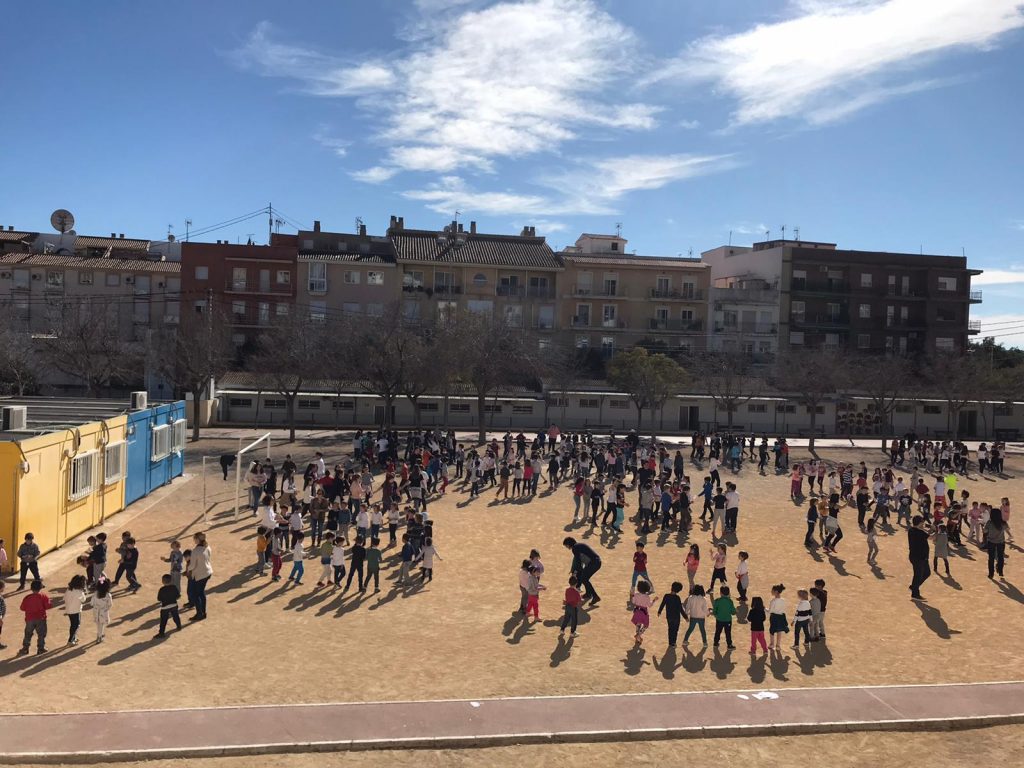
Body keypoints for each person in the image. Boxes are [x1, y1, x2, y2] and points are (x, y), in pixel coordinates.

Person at [563, 537, 602, 605]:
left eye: (566, 545)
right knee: (584, 578)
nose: (566, 547)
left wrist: (575, 572)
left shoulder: (575, 548)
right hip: (596, 562)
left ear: (569, 544)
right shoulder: (578, 545)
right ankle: (588, 593)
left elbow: (578, 561)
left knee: (584, 579)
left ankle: (595, 596)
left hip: (593, 563)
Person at [16, 579, 50, 655]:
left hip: (29, 619)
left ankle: (25, 648)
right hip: (40, 618)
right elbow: (48, 606)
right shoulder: (43, 596)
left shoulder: (27, 597)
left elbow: (22, 608)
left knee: (28, 633)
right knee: (41, 634)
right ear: (40, 588)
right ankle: (41, 648)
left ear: (31, 588)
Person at [188, 532, 213, 621]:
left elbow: (192, 565)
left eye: (194, 538)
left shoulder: (195, 551)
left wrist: (187, 570)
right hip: (207, 572)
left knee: (195, 594)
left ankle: (199, 613)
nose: (194, 540)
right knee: (201, 593)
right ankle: (203, 612)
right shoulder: (207, 547)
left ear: (198, 539)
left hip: (200, 575)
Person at [908, 515, 931, 600]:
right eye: (922, 522)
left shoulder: (911, 530)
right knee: (918, 575)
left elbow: (924, 534)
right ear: (919, 523)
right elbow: (932, 537)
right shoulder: (920, 532)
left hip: (917, 557)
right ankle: (915, 594)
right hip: (919, 557)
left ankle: (914, 587)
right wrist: (936, 530)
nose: (923, 523)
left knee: (926, 573)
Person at [658, 581, 685, 647]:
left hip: (669, 616)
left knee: (670, 629)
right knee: (675, 630)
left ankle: (670, 643)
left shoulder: (666, 596)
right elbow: (680, 609)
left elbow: (662, 604)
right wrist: (685, 617)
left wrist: (659, 611)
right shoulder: (677, 598)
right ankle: (674, 642)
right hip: (676, 617)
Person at [155, 573, 182, 638]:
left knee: (163, 621)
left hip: (165, 607)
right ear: (171, 580)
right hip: (174, 605)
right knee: (176, 616)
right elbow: (178, 596)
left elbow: (159, 599)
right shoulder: (174, 587)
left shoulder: (161, 589)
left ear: (163, 581)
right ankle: (179, 626)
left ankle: (161, 633)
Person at [64, 575, 87, 647]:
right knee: (76, 625)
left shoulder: (69, 589)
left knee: (73, 625)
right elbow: (83, 600)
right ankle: (70, 641)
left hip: (69, 610)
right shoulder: (79, 592)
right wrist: (84, 593)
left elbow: (64, 598)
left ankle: (73, 638)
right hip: (76, 611)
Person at [985, 509, 1007, 580]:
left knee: (991, 558)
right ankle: (1000, 571)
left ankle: (991, 574)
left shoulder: (989, 523)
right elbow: (1007, 528)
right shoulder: (1003, 523)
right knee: (1001, 557)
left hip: (991, 542)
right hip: (1001, 542)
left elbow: (985, 531)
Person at [92, 580, 114, 644]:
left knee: (98, 624)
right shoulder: (108, 595)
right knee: (102, 624)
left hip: (96, 611)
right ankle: (99, 637)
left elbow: (92, 603)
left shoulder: (95, 593)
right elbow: (110, 604)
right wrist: (106, 609)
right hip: (103, 612)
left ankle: (100, 634)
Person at [768, 584, 788, 650]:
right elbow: (784, 610)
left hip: (774, 617)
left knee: (772, 631)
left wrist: (764, 609)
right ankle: (778, 646)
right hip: (781, 617)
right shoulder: (783, 600)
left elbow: (770, 611)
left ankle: (772, 644)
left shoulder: (773, 601)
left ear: (776, 591)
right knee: (779, 631)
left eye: (772, 590)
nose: (771, 591)